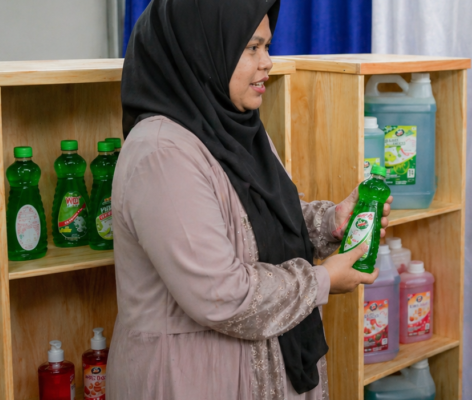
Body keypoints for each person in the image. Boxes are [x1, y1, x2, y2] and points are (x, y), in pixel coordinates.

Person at [107, 1, 391, 399]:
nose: (268, 62)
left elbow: (258, 222)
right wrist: (322, 280)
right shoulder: (161, 154)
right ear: (203, 50)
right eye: (252, 48)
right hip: (190, 380)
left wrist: (331, 223)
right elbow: (221, 293)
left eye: (267, 47)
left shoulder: (235, 129)